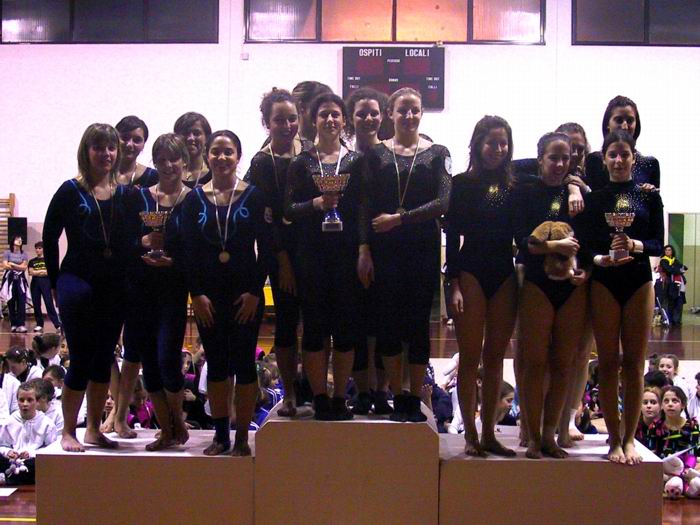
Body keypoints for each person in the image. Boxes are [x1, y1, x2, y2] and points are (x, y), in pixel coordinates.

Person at [362, 87, 452, 422]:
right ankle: (396, 394)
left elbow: (443, 202)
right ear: (390, 114)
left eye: (415, 110)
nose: (409, 116)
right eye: (402, 110)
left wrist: (400, 219)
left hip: (421, 249)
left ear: (422, 112)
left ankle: (414, 395)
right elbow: (365, 205)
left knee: (417, 325)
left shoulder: (438, 153)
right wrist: (364, 248)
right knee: (387, 324)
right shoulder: (375, 154)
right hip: (385, 251)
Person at [576, 129, 664, 465]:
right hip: (605, 282)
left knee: (634, 364)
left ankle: (630, 439)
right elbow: (585, 246)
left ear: (633, 158)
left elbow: (658, 243)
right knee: (609, 362)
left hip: (638, 281)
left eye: (624, 154)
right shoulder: (596, 199)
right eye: (612, 154)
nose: (618, 160)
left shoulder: (648, 197)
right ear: (604, 158)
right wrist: (602, 259)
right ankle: (613, 438)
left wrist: (634, 245)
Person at [182, 129, 271, 455]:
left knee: (245, 365)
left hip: (245, 297)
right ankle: (221, 436)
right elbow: (187, 252)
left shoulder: (254, 196)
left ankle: (243, 437)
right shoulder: (194, 199)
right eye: (216, 151)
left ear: (238, 156)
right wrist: (196, 294)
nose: (221, 157)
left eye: (228, 151)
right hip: (208, 298)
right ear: (207, 156)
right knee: (217, 365)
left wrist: (255, 292)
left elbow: (267, 248)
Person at [43, 122, 130, 452]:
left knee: (104, 357)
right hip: (76, 281)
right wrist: (55, 281)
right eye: (98, 147)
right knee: (80, 357)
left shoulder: (124, 193)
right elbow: (49, 237)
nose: (105, 153)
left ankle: (93, 429)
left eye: (111, 147)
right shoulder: (70, 190)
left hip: (112, 285)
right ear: (86, 151)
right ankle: (69, 431)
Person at [284, 93, 365, 421]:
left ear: (344, 120)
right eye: (324, 115)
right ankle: (319, 397)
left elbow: (363, 209)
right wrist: (316, 204)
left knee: (345, 329)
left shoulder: (356, 162)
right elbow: (288, 209)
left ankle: (340, 396)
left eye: (335, 114)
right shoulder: (301, 163)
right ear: (314, 120)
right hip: (311, 256)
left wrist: (363, 249)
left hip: (346, 256)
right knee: (315, 328)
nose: (330, 120)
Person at [445, 115, 518, 456]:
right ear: (477, 144)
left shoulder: (514, 186)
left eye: (504, 143)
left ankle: (489, 431)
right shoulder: (461, 184)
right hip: (470, 271)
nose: (498, 149)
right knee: (470, 356)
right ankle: (471, 433)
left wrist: (575, 183)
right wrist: (453, 283)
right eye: (492, 143)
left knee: (495, 357)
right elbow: (452, 235)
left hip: (503, 274)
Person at [515, 132, 590, 459]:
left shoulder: (578, 195)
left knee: (563, 364)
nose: (560, 164)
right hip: (537, 284)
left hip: (570, 288)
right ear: (540, 159)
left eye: (566, 158)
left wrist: (587, 270)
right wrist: (552, 245)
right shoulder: (527, 191)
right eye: (553, 158)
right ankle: (532, 435)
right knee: (534, 363)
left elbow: (590, 240)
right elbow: (522, 240)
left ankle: (550, 435)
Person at [122, 133, 192, 449]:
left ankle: (178, 421)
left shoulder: (194, 199)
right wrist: (142, 243)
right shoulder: (139, 198)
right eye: (161, 159)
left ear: (183, 161)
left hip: (173, 292)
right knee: (148, 363)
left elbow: (197, 248)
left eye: (173, 158)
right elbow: (123, 242)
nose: (168, 165)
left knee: (167, 359)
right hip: (140, 290)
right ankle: (166, 430)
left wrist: (174, 261)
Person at [245, 89, 303, 417]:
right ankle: (290, 392)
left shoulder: (309, 152)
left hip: (309, 250)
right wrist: (283, 261)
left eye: (292, 118)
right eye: (279, 120)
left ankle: (314, 388)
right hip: (277, 253)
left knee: (315, 323)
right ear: (267, 123)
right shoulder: (261, 162)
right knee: (286, 321)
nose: (287, 125)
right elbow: (267, 219)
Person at [344, 87, 392, 415]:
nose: (368, 118)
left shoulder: (391, 157)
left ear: (383, 116)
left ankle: (382, 391)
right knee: (356, 325)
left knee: (384, 323)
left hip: (386, 248)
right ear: (352, 118)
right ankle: (362, 392)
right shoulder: (345, 159)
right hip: (349, 248)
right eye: (361, 113)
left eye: (374, 112)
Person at [585, 95, 660, 191]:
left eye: (630, 121)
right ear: (607, 124)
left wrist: (648, 193)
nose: (625, 126)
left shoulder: (650, 164)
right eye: (619, 120)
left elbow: (654, 199)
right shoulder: (595, 161)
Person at [0, 382, 57, 485]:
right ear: (17, 401)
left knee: (35, 464)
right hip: (11, 461)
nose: (25, 404)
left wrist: (30, 454)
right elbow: (2, 445)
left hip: (33, 463)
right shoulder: (9, 421)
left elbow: (52, 451)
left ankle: (12, 478)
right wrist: (8, 452)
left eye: (30, 400)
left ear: (37, 401)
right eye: (21, 400)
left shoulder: (47, 424)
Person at [27, 242, 62, 333]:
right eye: (36, 248)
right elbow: (31, 272)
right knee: (36, 303)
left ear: (43, 249)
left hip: (46, 282)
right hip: (35, 283)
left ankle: (57, 324)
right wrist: (42, 272)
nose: (38, 250)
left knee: (48, 302)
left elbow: (48, 272)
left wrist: (38, 272)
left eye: (40, 248)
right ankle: (39, 324)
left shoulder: (48, 260)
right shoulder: (32, 261)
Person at [115, 116, 158, 187]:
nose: (129, 144)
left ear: (143, 145)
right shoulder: (100, 174)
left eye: (136, 140)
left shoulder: (153, 177)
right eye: (125, 138)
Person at [174, 112, 212, 188]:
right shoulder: (167, 171)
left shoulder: (215, 174)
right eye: (185, 133)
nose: (191, 138)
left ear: (207, 138)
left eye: (196, 133)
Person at [2, 235, 29, 333]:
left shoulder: (24, 254)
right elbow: (5, 265)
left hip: (20, 279)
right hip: (10, 279)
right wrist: (18, 266)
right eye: (18, 239)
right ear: (13, 241)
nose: (20, 241)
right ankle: (13, 324)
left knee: (21, 301)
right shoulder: (7, 252)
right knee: (11, 301)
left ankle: (21, 324)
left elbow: (24, 267)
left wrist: (13, 264)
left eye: (21, 239)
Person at [658, 245, 687, 326]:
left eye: (669, 250)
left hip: (678, 284)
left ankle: (676, 320)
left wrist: (675, 269)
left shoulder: (675, 260)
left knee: (679, 302)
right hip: (668, 283)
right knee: (669, 302)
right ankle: (669, 320)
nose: (667, 251)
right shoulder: (663, 261)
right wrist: (677, 270)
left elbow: (684, 267)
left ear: (672, 251)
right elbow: (669, 270)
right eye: (666, 250)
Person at [635, 386, 663, 450]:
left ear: (661, 406)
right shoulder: (633, 428)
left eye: (653, 402)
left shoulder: (666, 429)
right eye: (645, 403)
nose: (648, 406)